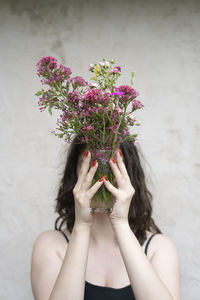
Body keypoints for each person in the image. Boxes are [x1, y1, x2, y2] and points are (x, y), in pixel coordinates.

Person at [30, 135, 181, 300]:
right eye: (91, 165)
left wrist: (120, 224)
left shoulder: (159, 248)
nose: (102, 178)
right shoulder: (51, 245)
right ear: (75, 173)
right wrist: (82, 226)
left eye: (112, 164)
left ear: (129, 173)